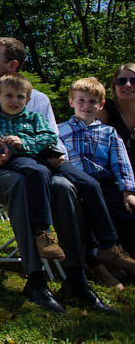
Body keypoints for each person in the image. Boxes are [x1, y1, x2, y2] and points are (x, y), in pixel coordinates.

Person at [0, 37, 131, 314]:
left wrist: (42, 151)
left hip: (33, 167)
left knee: (64, 186)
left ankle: (76, 278)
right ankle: (35, 278)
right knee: (21, 182)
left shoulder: (37, 99)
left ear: (12, 65)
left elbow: (56, 142)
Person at [0, 73, 65, 260]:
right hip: (9, 165)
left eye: (20, 97)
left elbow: (50, 137)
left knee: (74, 181)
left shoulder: (34, 118)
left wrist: (24, 141)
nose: (14, 101)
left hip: (34, 158)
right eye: (9, 96)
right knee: (37, 171)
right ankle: (43, 230)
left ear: (28, 99)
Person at [59, 77, 135, 285]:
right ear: (71, 102)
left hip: (105, 182)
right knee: (84, 213)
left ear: (101, 105)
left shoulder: (108, 133)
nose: (86, 106)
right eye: (81, 100)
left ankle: (116, 258)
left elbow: (121, 162)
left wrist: (128, 191)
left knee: (126, 211)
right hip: (76, 184)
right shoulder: (60, 131)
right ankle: (97, 264)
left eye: (92, 102)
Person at [100, 63, 135, 169]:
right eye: (121, 81)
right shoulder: (104, 108)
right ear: (114, 86)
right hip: (112, 174)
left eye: (134, 81)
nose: (128, 85)